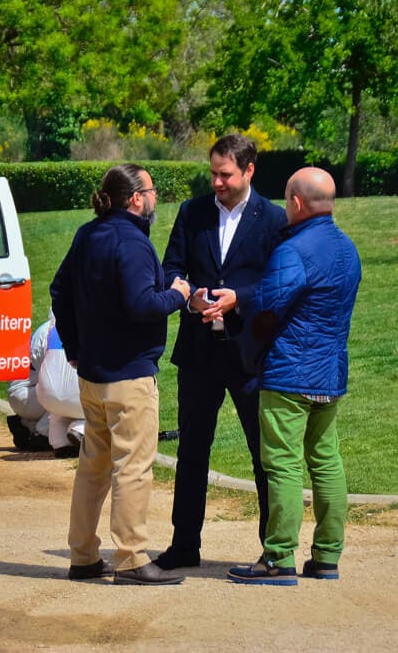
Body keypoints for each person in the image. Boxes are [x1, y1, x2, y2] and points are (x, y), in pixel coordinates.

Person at [50, 163, 191, 586]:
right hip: (129, 376)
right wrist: (178, 295)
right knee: (133, 466)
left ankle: (83, 556)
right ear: (135, 198)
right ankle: (130, 557)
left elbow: (60, 292)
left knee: (93, 467)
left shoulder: (88, 235)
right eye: (151, 190)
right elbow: (142, 304)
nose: (155, 197)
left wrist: (74, 348)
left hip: (92, 375)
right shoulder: (131, 242)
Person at [156, 133, 288, 570]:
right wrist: (190, 295)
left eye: (224, 174)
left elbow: (280, 281)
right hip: (198, 352)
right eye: (212, 172)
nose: (216, 182)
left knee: (262, 453)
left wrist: (240, 298)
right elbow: (170, 268)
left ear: (249, 171)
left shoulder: (273, 219)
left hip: (250, 353)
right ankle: (184, 545)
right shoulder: (192, 213)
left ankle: (272, 549)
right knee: (192, 451)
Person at [227, 167, 361, 586]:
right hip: (330, 373)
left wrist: (250, 349)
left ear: (298, 203)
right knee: (326, 461)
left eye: (287, 200)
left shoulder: (294, 250)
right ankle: (326, 557)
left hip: (288, 374)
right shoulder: (347, 248)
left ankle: (279, 557)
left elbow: (266, 310)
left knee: (282, 464)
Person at [6, 315, 84, 456]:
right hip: (30, 393)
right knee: (71, 394)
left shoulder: (47, 328)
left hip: (26, 393)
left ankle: (52, 437)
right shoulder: (85, 324)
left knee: (59, 398)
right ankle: (43, 432)